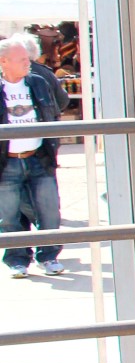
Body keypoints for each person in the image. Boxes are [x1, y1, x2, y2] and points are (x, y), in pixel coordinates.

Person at [1, 36, 65, 277]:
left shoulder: (38, 82)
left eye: (28, 59)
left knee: (49, 210)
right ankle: (17, 260)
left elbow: (55, 108)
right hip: (7, 162)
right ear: (3, 61)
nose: (28, 63)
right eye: (22, 60)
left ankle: (48, 257)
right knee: (9, 215)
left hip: (39, 158)